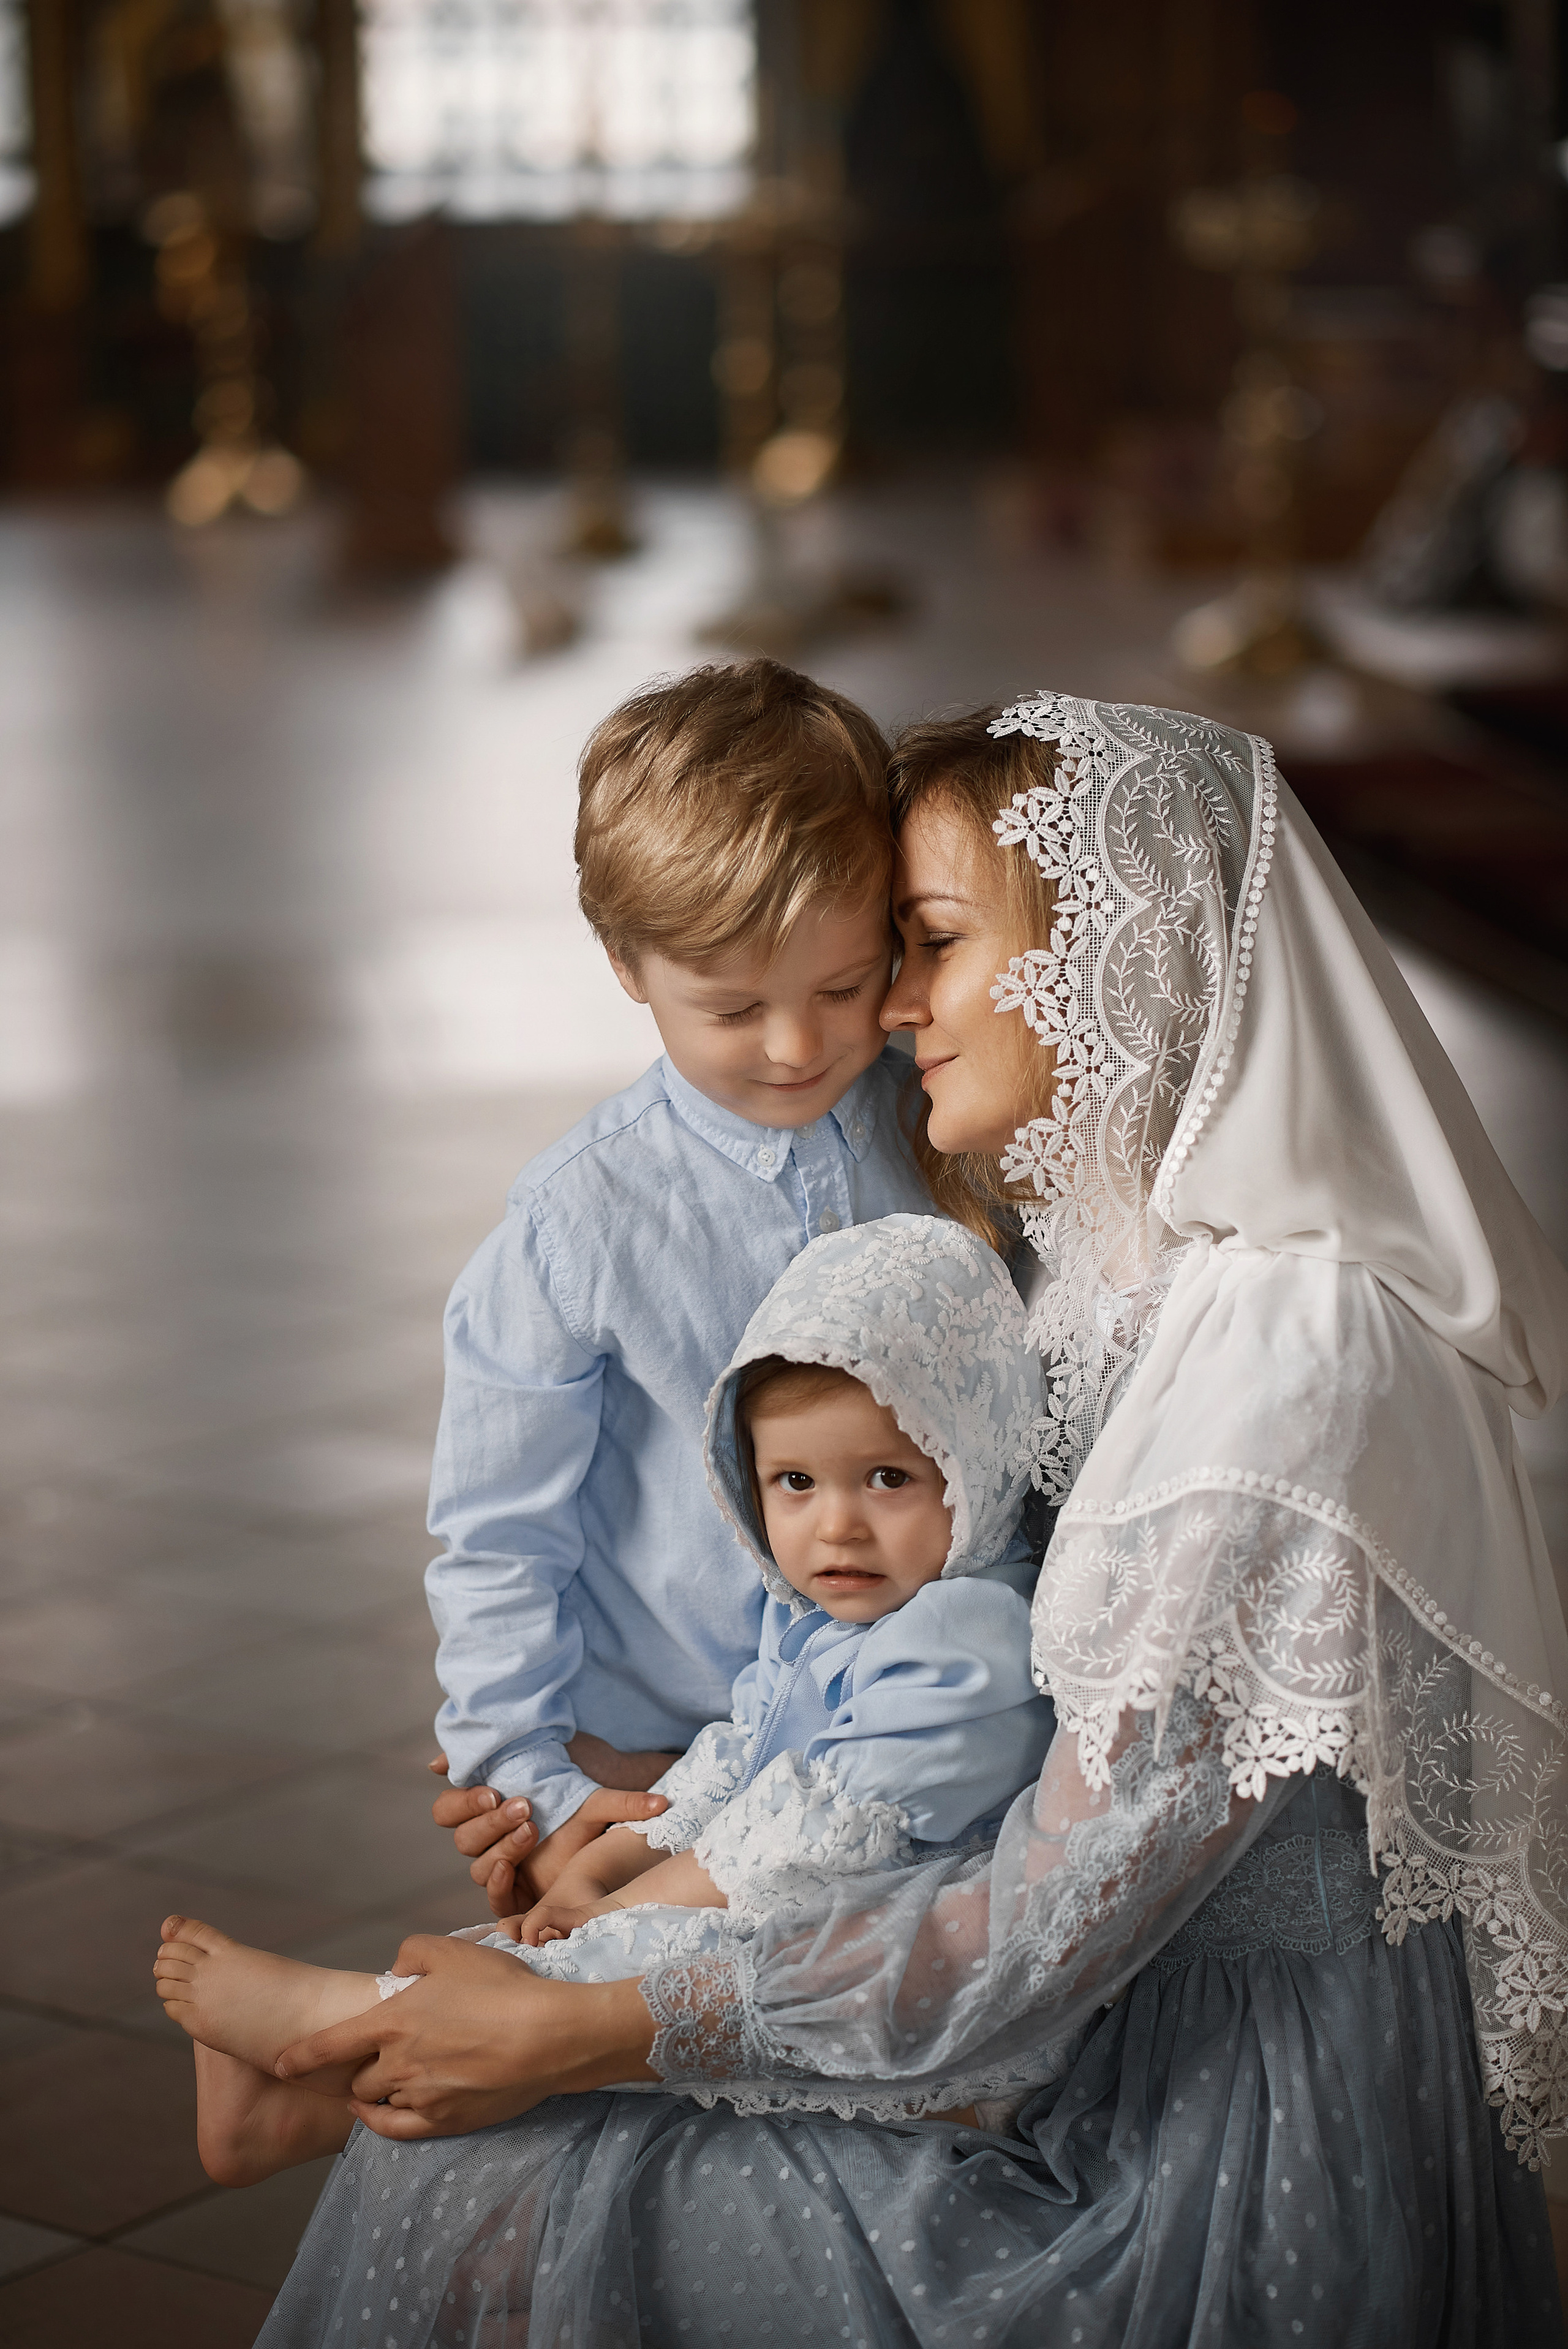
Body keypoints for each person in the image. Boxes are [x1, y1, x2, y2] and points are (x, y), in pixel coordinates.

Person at [257, 693, 1568, 2347]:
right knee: (482, 2108)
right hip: (1078, 2019)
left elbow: (1041, 1922)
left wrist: (595, 2026)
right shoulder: (1105, 1267)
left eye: (927, 942)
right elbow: (912, 1661)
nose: (887, 1010)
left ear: (1116, 950)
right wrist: (672, 1831)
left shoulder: (1283, 1364)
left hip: (1206, 2135)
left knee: (501, 2142)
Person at [153, 1216, 1055, 2166]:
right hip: (787, 1898)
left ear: (974, 1467)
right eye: (794, 1481)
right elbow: (735, 1760)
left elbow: (815, 1835)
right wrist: (613, 1862)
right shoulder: (817, 1616)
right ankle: (308, 2097)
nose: (836, 1527)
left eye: (887, 1478)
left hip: (885, 1967)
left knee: (607, 1975)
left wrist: (627, 1908)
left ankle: (330, 2023)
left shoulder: (968, 1638)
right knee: (576, 1947)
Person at [423, 656, 932, 1920]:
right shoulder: (576, 1219)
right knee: (614, 1988)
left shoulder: (936, 1127)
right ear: (625, 963)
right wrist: (524, 1779)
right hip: (657, 1748)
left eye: (839, 986)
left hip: (897, 1720)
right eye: (731, 1006)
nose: (796, 1046)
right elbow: (498, 1531)